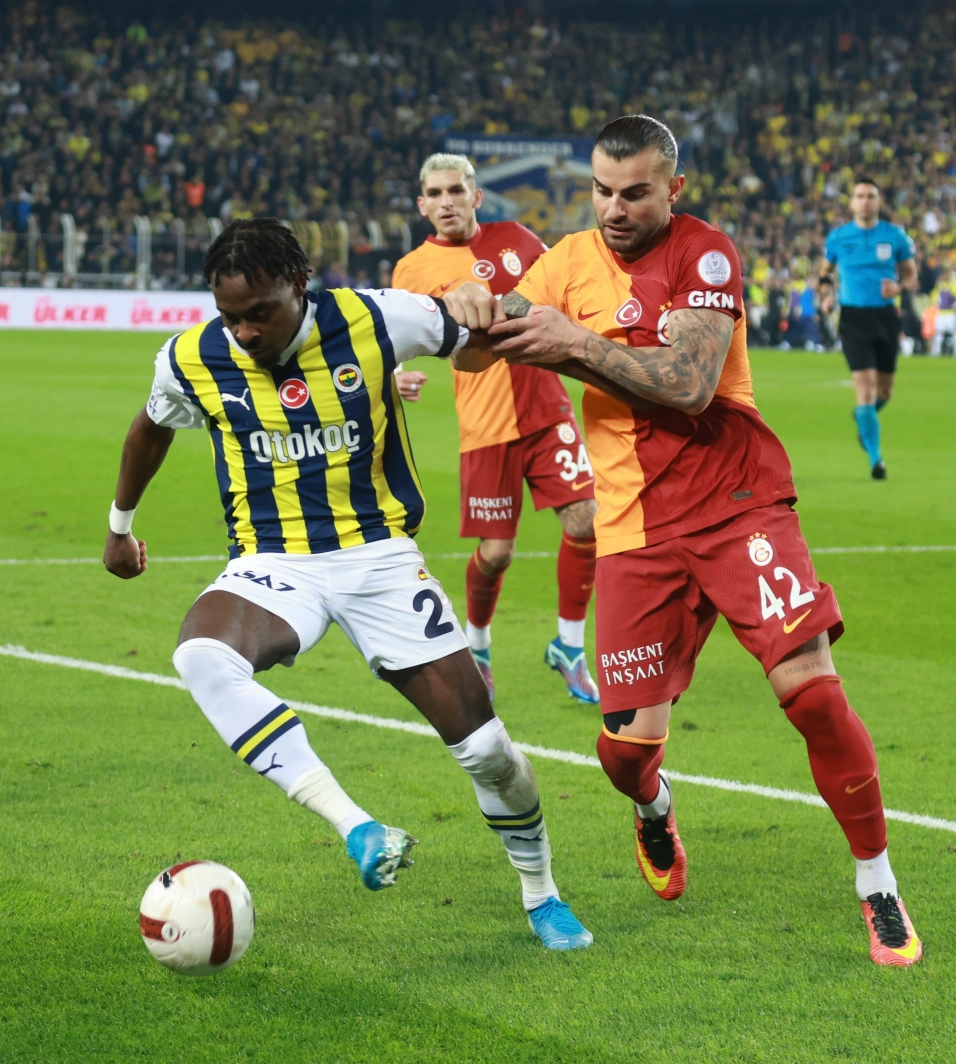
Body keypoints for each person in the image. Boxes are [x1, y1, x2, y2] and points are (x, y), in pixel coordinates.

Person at [458, 115, 921, 967]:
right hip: (634, 529)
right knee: (624, 755)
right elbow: (480, 350)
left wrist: (573, 342)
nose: (615, 209)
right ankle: (654, 807)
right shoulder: (566, 262)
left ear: (673, 188)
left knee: (812, 692)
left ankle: (878, 884)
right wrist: (467, 314)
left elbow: (690, 384)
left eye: (635, 192)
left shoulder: (705, 255)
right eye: (602, 191)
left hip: (738, 502)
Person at [102, 218, 591, 950]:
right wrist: (120, 525)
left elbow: (477, 347)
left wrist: (484, 307)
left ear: (298, 285)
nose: (244, 332)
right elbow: (151, 426)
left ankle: (540, 891)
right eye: (230, 316)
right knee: (200, 655)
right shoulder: (192, 356)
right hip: (273, 562)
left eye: (259, 312)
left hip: (379, 558)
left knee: (487, 751)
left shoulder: (377, 318)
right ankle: (357, 826)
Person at [391, 153, 600, 705]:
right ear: (422, 205)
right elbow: (391, 343)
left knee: (587, 521)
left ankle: (569, 646)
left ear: (476, 196)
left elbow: (565, 288)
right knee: (497, 552)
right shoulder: (412, 270)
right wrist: (396, 377)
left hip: (546, 408)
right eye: (436, 194)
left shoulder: (518, 240)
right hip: (485, 424)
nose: (447, 202)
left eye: (456, 190)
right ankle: (478, 646)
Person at [824, 178, 917, 481]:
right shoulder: (838, 238)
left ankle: (865, 418)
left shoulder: (895, 236)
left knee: (885, 391)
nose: (865, 201)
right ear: (852, 202)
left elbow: (912, 276)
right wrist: (826, 296)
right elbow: (824, 274)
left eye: (871, 196)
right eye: (860, 196)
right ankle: (877, 460)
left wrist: (899, 287)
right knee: (864, 389)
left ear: (879, 202)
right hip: (853, 319)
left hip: (886, 317)